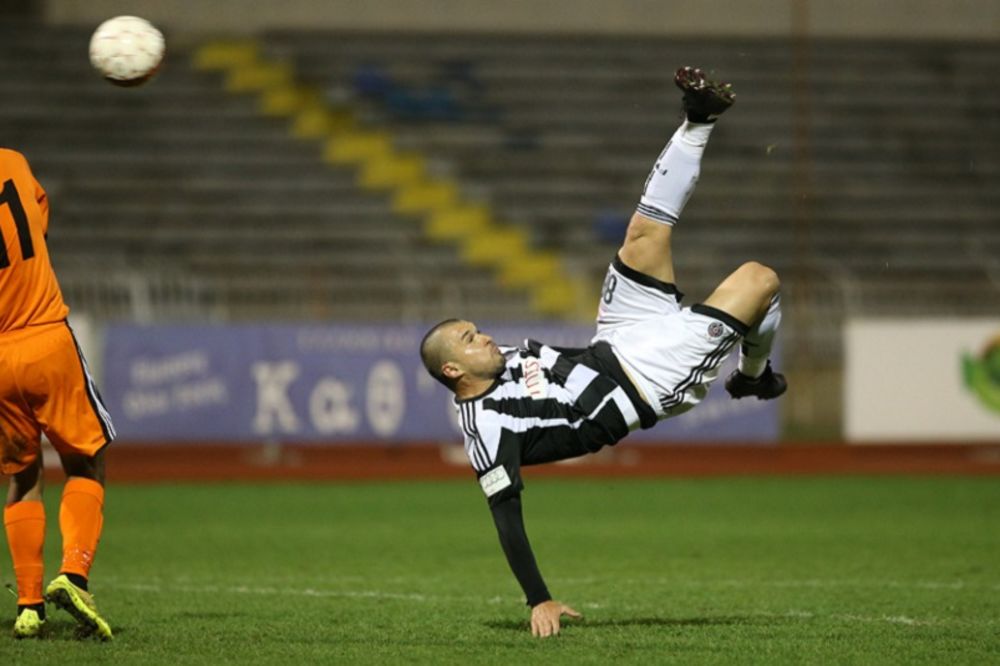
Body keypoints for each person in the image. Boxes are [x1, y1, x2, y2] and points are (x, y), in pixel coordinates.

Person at [419, 67, 786, 638]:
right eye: (470, 340)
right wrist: (537, 599)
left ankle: (700, 118)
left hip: (614, 337)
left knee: (642, 236)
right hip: (647, 379)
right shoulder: (485, 427)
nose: (485, 336)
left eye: (476, 329)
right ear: (452, 370)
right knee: (759, 280)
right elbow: (506, 517)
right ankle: (755, 374)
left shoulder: (500, 362)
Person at [0, 148, 115, 640]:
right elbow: (38, 225)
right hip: (45, 334)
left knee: (23, 475)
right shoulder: (12, 161)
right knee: (87, 459)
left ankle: (29, 606)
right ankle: (73, 575)